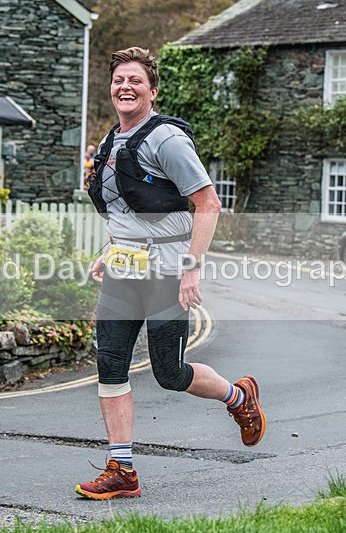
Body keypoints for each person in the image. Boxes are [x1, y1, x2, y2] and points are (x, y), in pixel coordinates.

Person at [76, 47, 265, 500]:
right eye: (119, 79)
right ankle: (122, 468)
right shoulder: (109, 142)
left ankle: (239, 398)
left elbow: (207, 203)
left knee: (170, 373)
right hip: (123, 272)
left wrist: (192, 268)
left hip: (165, 271)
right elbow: (127, 211)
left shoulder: (167, 140)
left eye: (136, 80)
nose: (126, 86)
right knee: (110, 364)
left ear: (152, 91)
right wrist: (111, 250)